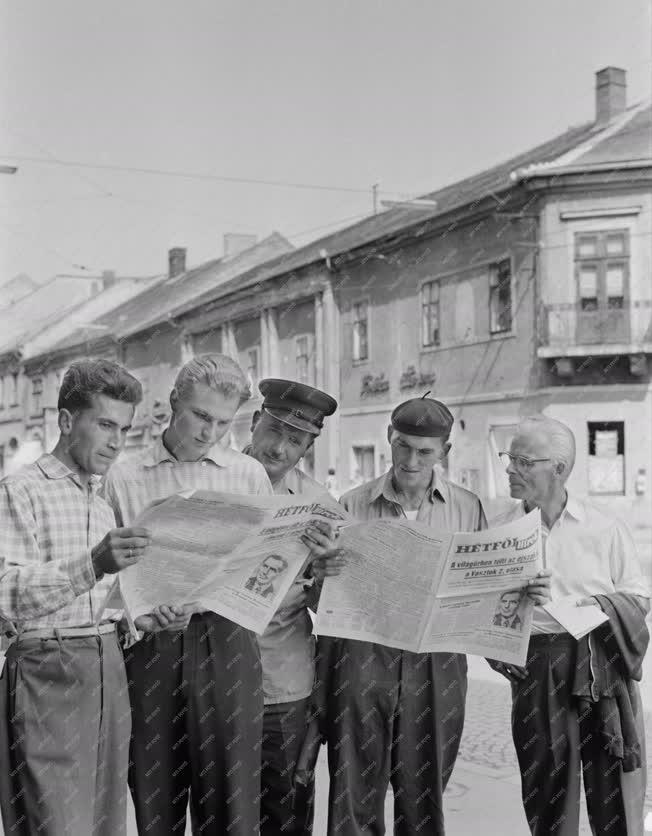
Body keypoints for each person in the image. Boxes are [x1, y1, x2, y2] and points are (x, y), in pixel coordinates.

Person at [101, 356, 337, 836]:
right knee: (155, 799)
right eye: (201, 416)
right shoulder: (123, 476)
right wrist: (135, 615)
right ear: (172, 404)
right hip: (152, 648)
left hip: (229, 641)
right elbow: (106, 577)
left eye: (223, 422)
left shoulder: (246, 474)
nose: (210, 432)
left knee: (231, 804)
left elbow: (261, 571)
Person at [316, 394, 551, 836]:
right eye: (402, 446)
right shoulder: (351, 503)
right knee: (353, 792)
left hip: (437, 665)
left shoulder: (467, 507)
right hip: (366, 661)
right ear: (390, 439)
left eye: (425, 451)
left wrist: (524, 592)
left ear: (444, 452)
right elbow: (323, 600)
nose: (411, 460)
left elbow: (486, 589)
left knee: (423, 795)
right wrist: (321, 573)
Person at [0, 359, 165, 836]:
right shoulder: (21, 491)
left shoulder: (101, 499)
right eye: (106, 424)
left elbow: (99, 599)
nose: (117, 441)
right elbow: (6, 595)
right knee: (57, 824)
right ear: (67, 421)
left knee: (104, 822)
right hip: (45, 671)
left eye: (126, 429)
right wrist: (93, 563)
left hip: (108, 666)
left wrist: (139, 616)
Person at [491, 415, 650, 836]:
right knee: (547, 795)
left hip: (602, 667)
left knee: (612, 792)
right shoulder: (495, 528)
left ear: (557, 468)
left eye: (523, 460)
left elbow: (638, 599)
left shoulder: (604, 528)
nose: (510, 468)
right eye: (510, 457)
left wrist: (577, 604)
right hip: (535, 667)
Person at [244, 377, 342, 836]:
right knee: (219, 814)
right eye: (274, 431)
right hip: (208, 679)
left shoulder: (319, 505)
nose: (280, 449)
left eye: (296, 440)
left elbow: (332, 610)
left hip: (282, 685)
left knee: (286, 814)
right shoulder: (214, 484)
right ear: (253, 423)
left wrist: (325, 574)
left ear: (307, 448)